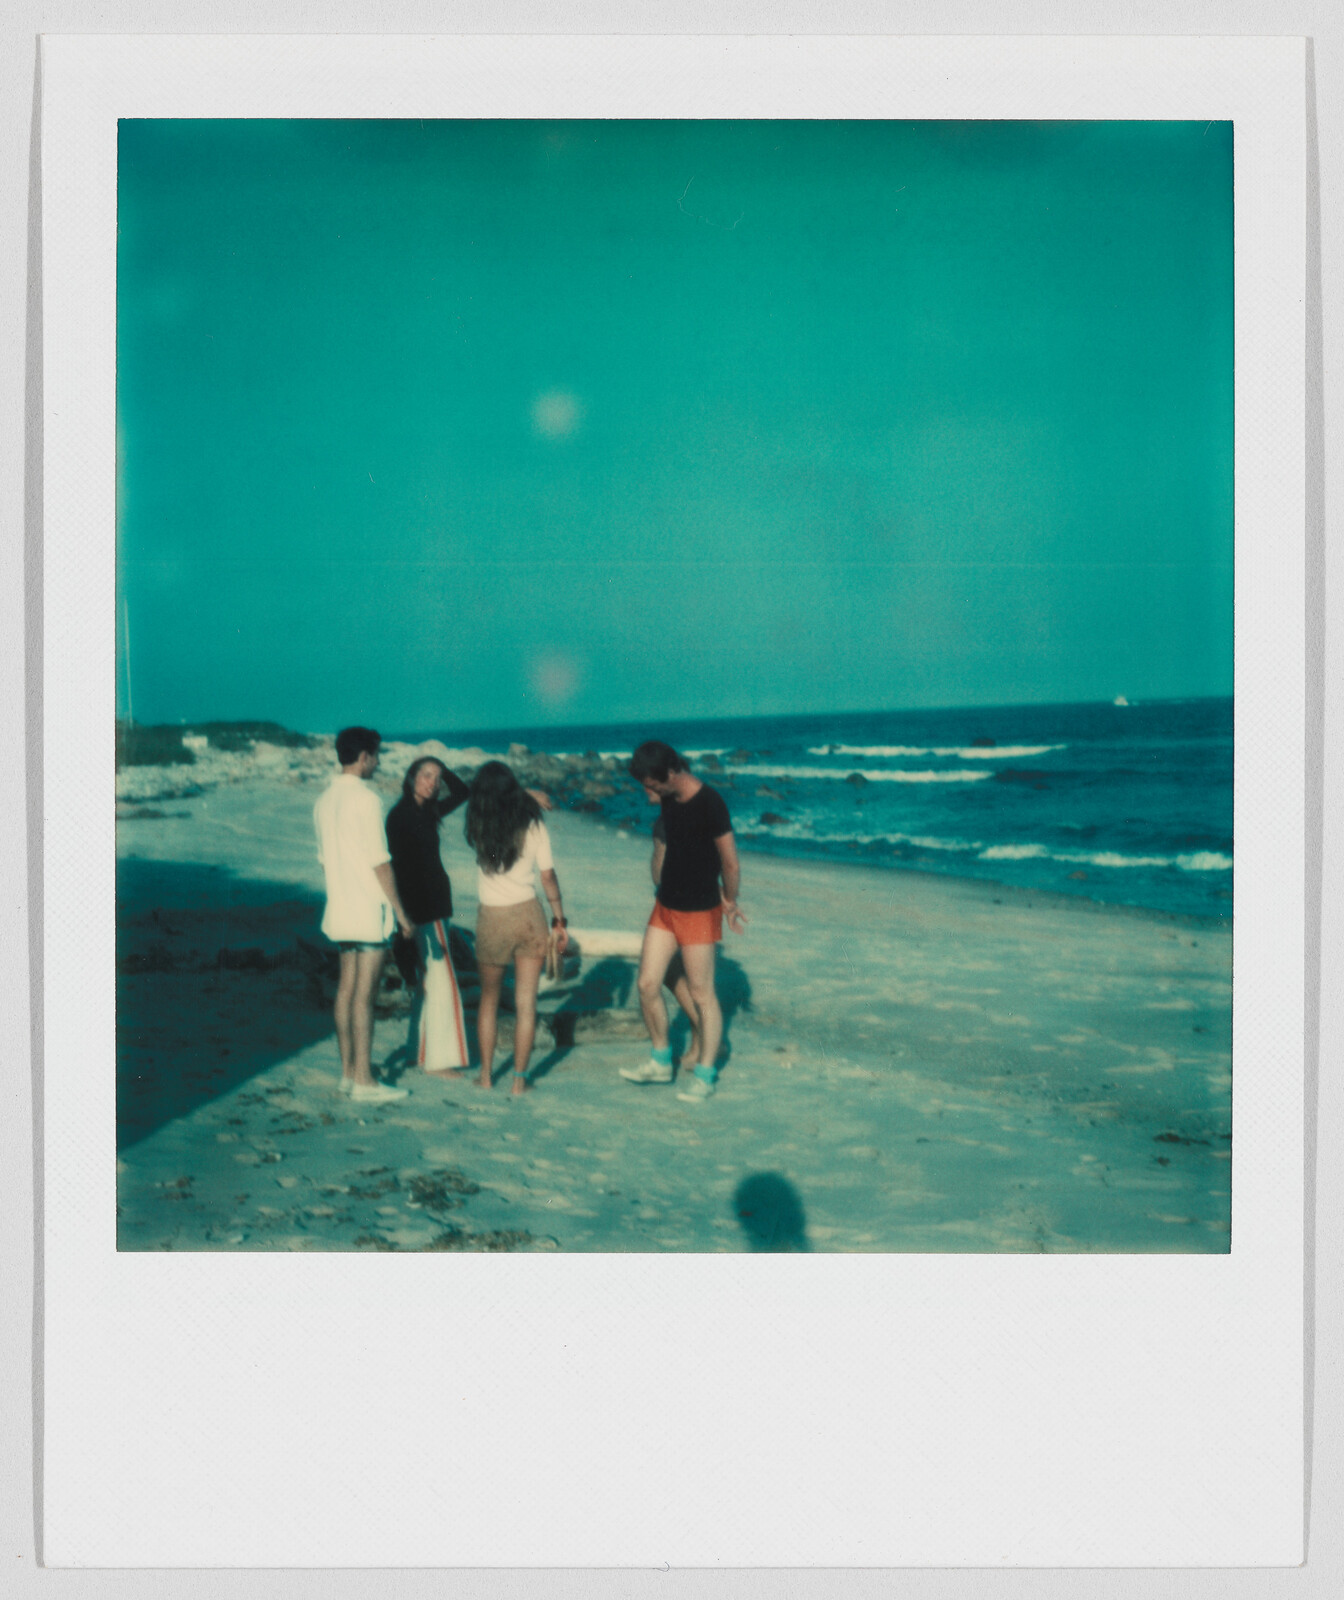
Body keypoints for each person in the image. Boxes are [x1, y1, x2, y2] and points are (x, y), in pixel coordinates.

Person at [621, 739, 746, 1102]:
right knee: (647, 984)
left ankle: (705, 1076)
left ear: (673, 773)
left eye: (653, 785)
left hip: (698, 912)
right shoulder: (668, 795)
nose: (650, 792)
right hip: (665, 907)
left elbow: (730, 863)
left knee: (702, 995)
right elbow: (680, 850)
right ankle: (661, 1061)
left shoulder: (710, 803)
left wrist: (730, 900)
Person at [313, 726, 414, 1103]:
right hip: (368, 908)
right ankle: (364, 1080)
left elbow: (325, 861)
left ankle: (346, 1074)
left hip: (340, 907)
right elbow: (380, 862)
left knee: (346, 989)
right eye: (376, 756)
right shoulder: (367, 799)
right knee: (364, 996)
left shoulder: (323, 801)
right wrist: (401, 912)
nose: (378, 762)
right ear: (364, 757)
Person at [464, 761, 568, 1096]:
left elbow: (478, 797)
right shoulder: (533, 823)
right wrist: (559, 918)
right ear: (513, 788)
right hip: (528, 915)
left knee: (489, 1001)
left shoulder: (480, 825)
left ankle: (485, 1076)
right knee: (526, 1004)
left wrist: (520, 793)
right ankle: (519, 1081)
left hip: (492, 918)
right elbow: (547, 876)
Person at [385, 745, 472, 1077]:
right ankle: (439, 1060)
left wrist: (441, 767)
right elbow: (399, 868)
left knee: (428, 982)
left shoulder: (427, 811)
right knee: (441, 982)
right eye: (425, 775)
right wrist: (405, 916)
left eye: (437, 778)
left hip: (432, 906)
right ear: (411, 778)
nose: (432, 783)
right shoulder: (401, 817)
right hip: (423, 909)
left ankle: (418, 1052)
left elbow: (462, 791)